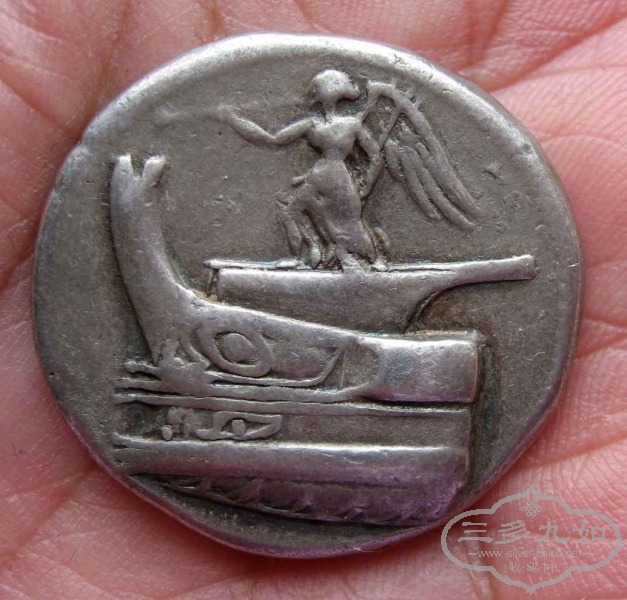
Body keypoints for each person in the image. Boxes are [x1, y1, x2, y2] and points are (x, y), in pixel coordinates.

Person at [1, 2, 625, 599]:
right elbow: (275, 138)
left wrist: (382, 154)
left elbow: (375, 160)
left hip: (340, 187)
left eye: (331, 95)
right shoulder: (318, 126)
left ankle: (347, 267)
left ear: (343, 98)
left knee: (347, 233)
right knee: (292, 210)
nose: (326, 102)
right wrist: (238, 125)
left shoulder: (352, 127)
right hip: (317, 183)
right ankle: (319, 265)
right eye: (323, 96)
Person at [218, 69, 384, 270]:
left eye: (316, 90)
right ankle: (312, 256)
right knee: (298, 213)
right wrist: (367, 185)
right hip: (326, 176)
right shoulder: (345, 124)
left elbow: (272, 139)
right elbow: (376, 158)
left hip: (327, 176)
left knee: (329, 219)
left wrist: (234, 121)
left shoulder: (323, 125)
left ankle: (370, 260)